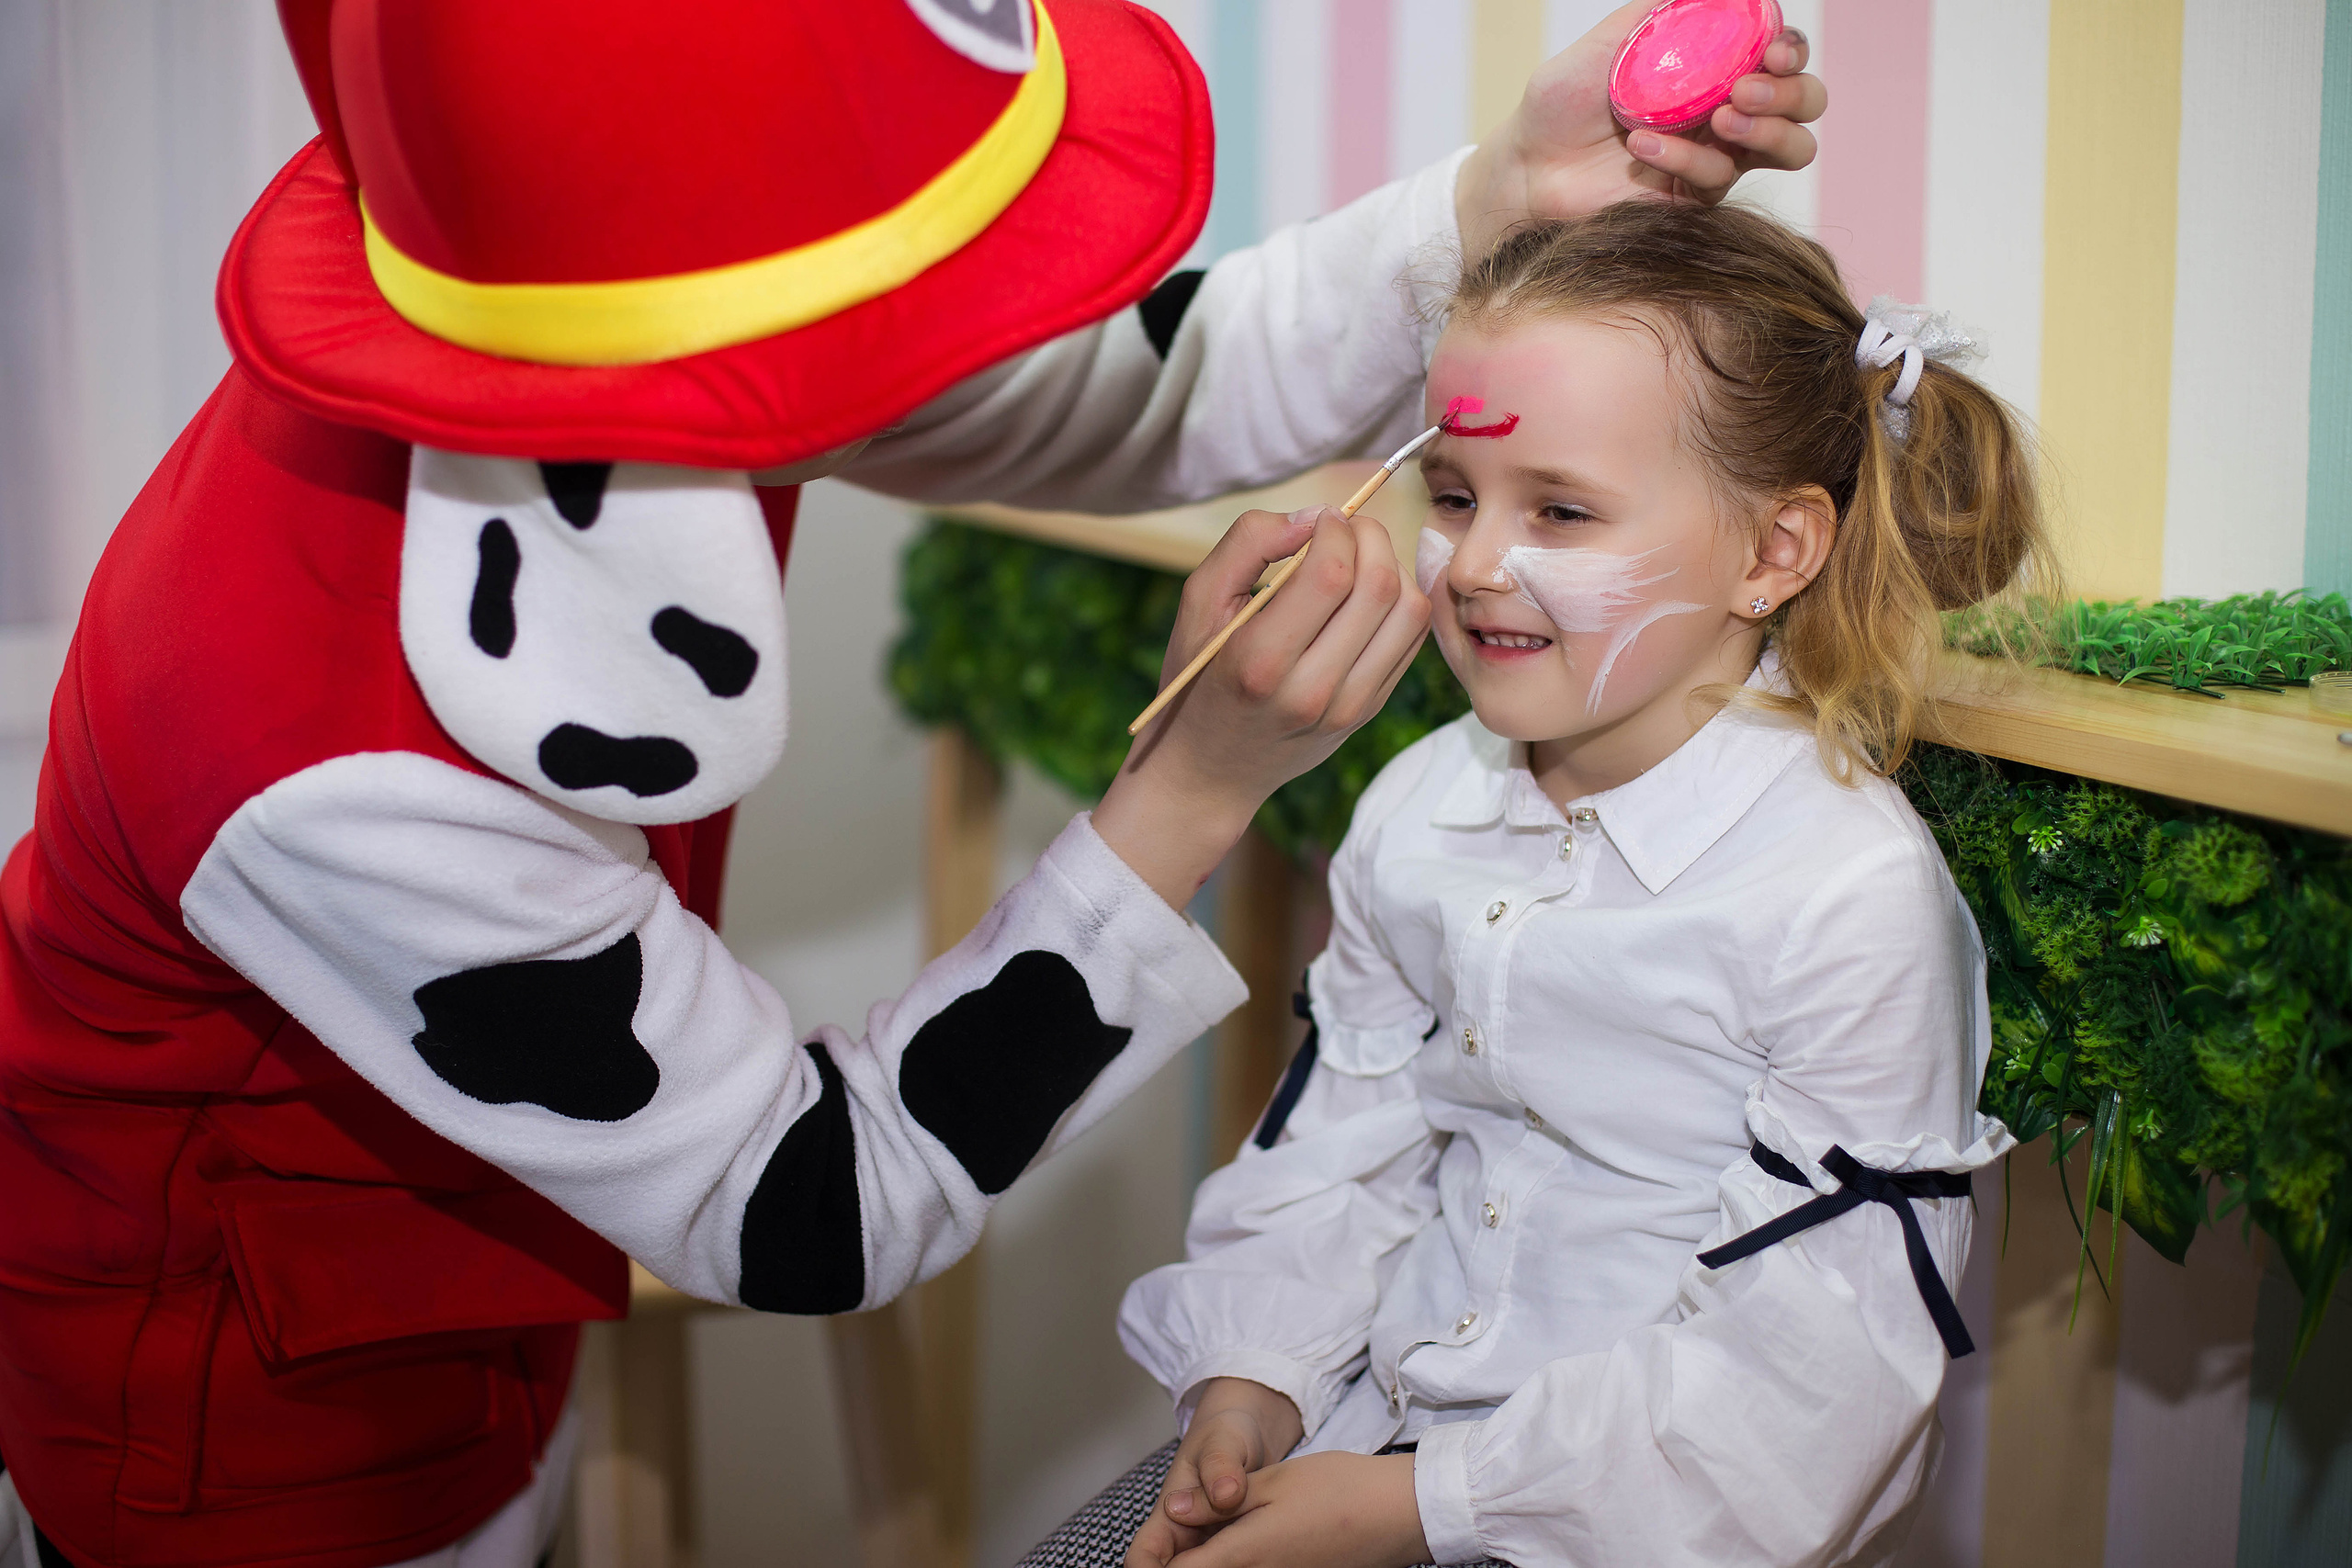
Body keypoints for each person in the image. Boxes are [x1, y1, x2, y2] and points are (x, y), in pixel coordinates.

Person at [0, 2, 1824, 1564]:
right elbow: (808, 1198)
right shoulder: (321, 761)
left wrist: (1495, 198)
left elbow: (1130, 392)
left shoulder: (596, 260)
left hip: (469, 1311)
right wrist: (1190, 792)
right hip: (250, 1449)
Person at [1109, 199, 2049, 1568]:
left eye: (1560, 509)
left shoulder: (1844, 896)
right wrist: (1252, 1382)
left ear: (1773, 553)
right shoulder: (1418, 803)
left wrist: (1421, 1505)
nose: (1477, 565)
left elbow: (1815, 1389)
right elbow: (1343, 1147)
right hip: (1357, 1442)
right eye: (1452, 497)